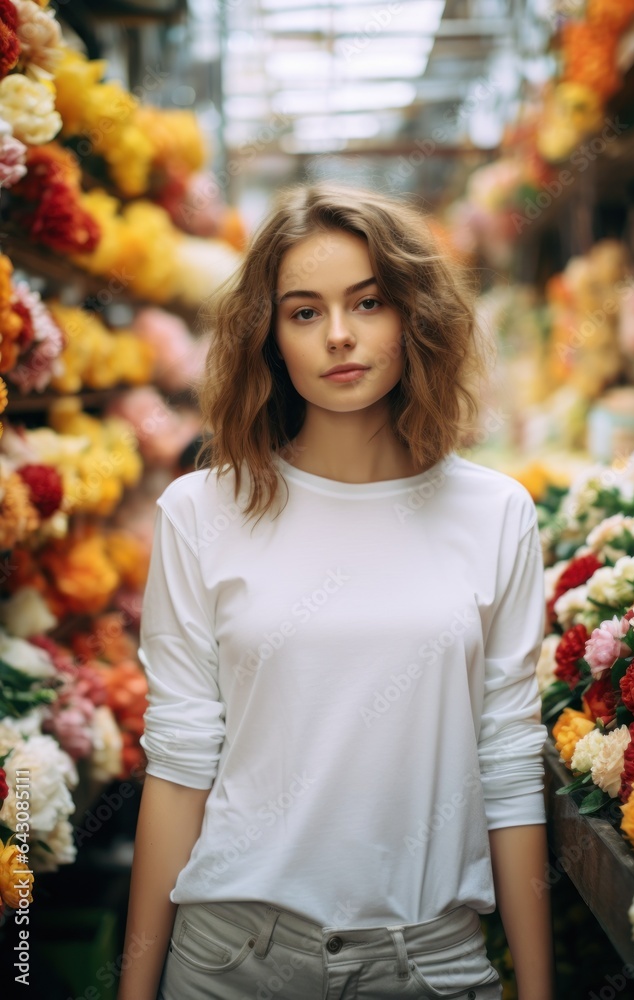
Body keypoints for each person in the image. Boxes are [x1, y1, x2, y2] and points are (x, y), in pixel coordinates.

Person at [117, 182, 554, 1000]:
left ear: (414, 316)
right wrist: (135, 991)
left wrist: (536, 988)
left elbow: (506, 761)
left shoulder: (495, 513)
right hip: (231, 960)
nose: (341, 336)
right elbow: (179, 764)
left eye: (369, 302)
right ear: (270, 336)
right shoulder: (201, 511)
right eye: (305, 312)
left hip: (430, 962)